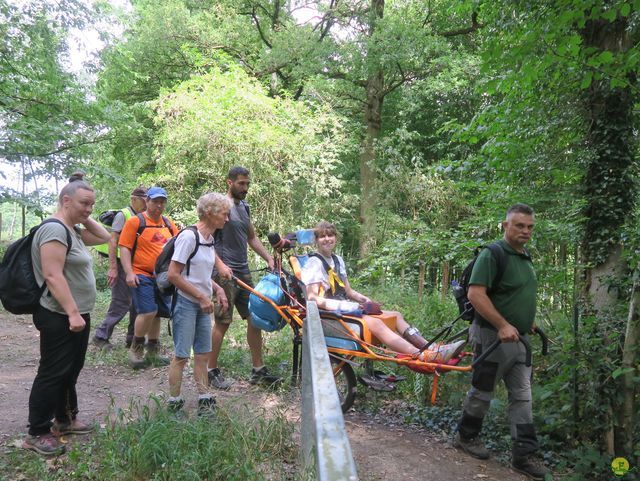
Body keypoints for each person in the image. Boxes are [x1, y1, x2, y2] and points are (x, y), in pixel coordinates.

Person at [454, 203, 551, 480]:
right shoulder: (492, 254)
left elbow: (513, 295)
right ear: (505, 225)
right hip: (491, 336)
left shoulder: (524, 256)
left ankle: (523, 456)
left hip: (518, 338)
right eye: (519, 225)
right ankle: (465, 436)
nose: (526, 231)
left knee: (522, 396)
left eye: (530, 226)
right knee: (482, 392)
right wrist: (503, 324)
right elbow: (476, 294)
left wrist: (523, 322)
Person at [23, 173, 111, 456]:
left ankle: (65, 419)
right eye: (84, 204)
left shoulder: (71, 229)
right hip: (60, 314)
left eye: (92, 205)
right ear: (65, 200)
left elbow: (105, 236)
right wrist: (73, 313)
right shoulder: (54, 230)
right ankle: (37, 431)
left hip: (76, 314)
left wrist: (83, 217)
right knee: (52, 371)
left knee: (70, 370)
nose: (89, 209)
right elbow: (52, 274)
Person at [302, 221, 465, 363]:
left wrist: (366, 301)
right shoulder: (314, 263)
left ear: (335, 238)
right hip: (328, 316)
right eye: (322, 236)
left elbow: (349, 291)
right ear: (316, 240)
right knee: (377, 323)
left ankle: (432, 347)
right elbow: (313, 299)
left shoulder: (338, 260)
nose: (327, 239)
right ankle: (422, 356)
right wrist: (346, 306)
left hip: (346, 309)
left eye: (330, 235)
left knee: (396, 315)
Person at [207, 166, 281, 389]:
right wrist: (219, 265)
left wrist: (269, 258)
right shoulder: (219, 207)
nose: (245, 188)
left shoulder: (244, 207)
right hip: (223, 274)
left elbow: (252, 237)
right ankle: (210, 370)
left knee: (254, 318)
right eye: (241, 183)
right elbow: (205, 240)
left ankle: (258, 370)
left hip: (243, 271)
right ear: (229, 182)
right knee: (222, 322)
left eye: (247, 183)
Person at [166, 193, 232, 414]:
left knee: (203, 354)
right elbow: (174, 275)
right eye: (224, 214)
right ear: (210, 213)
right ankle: (174, 402)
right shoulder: (188, 237)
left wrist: (217, 288)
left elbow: (200, 274)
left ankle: (204, 397)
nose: (227, 219)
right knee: (182, 355)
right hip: (186, 304)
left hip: (203, 305)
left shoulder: (209, 239)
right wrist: (202, 297)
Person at [119, 186, 178, 369]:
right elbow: (125, 248)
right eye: (155, 201)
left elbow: (178, 246)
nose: (159, 205)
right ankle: (136, 349)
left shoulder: (169, 224)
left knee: (158, 313)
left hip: (162, 276)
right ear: (147, 201)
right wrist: (128, 272)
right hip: (140, 273)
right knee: (148, 311)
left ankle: (153, 350)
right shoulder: (135, 222)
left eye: (162, 202)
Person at [92, 186, 148, 350]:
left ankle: (132, 339)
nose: (146, 204)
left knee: (137, 304)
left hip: (136, 266)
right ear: (133, 199)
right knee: (121, 302)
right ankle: (101, 336)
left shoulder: (142, 216)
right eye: (143, 201)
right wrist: (113, 268)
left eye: (147, 201)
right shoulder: (123, 215)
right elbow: (113, 241)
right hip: (121, 264)